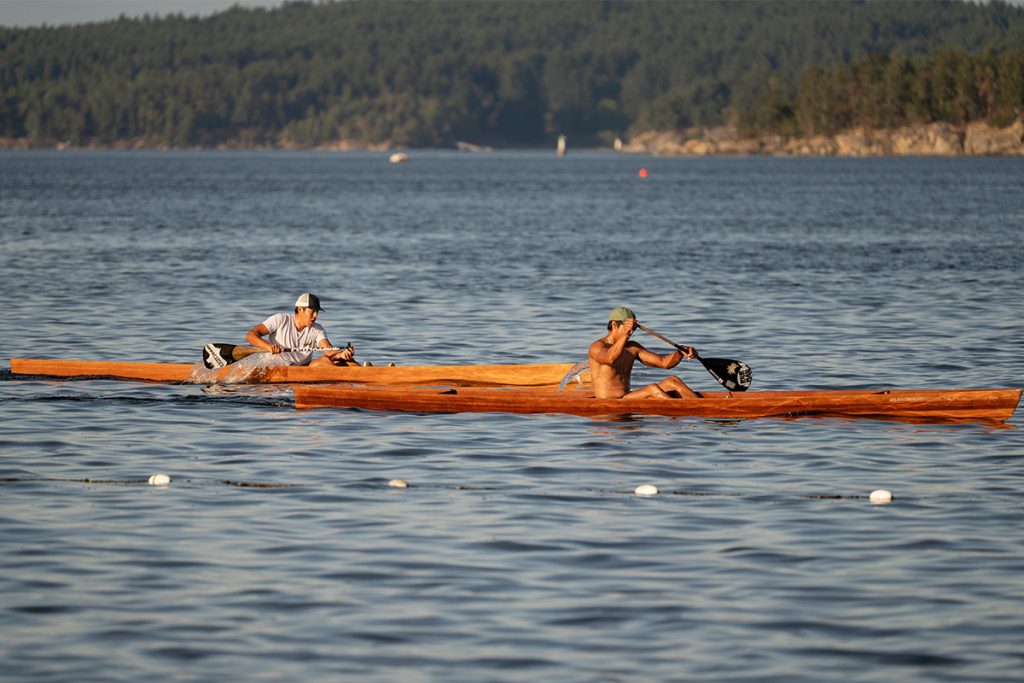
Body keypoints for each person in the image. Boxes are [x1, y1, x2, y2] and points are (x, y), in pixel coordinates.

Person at [588, 306, 702, 399]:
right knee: (652, 389)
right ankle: (681, 410)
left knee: (673, 381)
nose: (631, 332)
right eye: (628, 327)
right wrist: (626, 334)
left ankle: (701, 407)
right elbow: (610, 359)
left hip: (628, 397)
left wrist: (680, 352)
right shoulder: (597, 346)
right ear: (614, 324)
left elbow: (664, 362)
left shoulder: (632, 347)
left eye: (633, 328)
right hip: (608, 401)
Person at [245, 292, 357, 367]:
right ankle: (342, 378)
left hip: (303, 369)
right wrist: (268, 346)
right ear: (300, 309)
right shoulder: (280, 320)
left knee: (342, 360)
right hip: (278, 368)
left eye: (317, 312)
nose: (316, 316)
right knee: (324, 361)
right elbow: (251, 335)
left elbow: (328, 350)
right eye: (312, 311)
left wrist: (342, 354)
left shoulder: (317, 329)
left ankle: (365, 374)